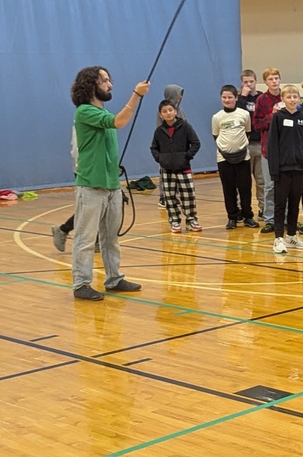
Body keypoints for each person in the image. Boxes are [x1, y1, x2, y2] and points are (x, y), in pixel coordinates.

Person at [69, 66, 150, 301]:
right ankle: (81, 284)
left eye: (109, 80)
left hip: (112, 185)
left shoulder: (104, 114)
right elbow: (121, 122)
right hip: (90, 186)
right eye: (104, 80)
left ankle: (114, 279)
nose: (110, 84)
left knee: (110, 237)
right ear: (91, 85)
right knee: (85, 238)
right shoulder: (84, 112)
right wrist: (137, 95)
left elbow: (117, 122)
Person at [267, 84, 303, 254]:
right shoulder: (278, 118)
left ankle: (292, 236)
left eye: (295, 97)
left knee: (295, 203)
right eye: (289, 97)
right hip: (282, 169)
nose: (292, 100)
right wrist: (274, 169)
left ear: (299, 99)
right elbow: (272, 144)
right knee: (281, 204)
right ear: (283, 99)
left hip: (299, 168)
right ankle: (278, 238)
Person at [150, 100, 202, 233]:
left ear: (175, 111)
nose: (168, 113)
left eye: (170, 110)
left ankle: (191, 220)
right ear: (160, 115)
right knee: (170, 197)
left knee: (188, 196)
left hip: (183, 168)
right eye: (164, 111)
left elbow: (195, 143)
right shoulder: (159, 131)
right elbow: (154, 148)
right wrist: (160, 159)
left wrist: (187, 156)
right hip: (167, 171)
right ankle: (175, 221)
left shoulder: (185, 127)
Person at [212, 84, 258, 230]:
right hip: (224, 158)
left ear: (236, 98)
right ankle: (232, 217)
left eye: (230, 97)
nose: (227, 100)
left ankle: (248, 216)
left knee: (245, 187)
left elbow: (247, 132)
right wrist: (226, 150)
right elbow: (216, 135)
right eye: (224, 97)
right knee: (229, 188)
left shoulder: (244, 114)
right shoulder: (217, 117)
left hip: (243, 157)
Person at [252, 67, 283, 233]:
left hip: (284, 149)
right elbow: (256, 125)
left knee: (285, 186)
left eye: (276, 78)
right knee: (269, 185)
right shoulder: (261, 100)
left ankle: (285, 218)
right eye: (271, 79)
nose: (274, 81)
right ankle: (270, 218)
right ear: (266, 82)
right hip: (267, 149)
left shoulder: (286, 97)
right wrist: (272, 115)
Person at [237, 69, 265, 219]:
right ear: (242, 83)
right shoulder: (239, 99)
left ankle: (263, 208)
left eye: (251, 82)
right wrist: (243, 96)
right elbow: (238, 113)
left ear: (256, 82)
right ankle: (243, 209)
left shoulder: (261, 97)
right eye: (245, 82)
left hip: (259, 143)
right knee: (243, 181)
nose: (249, 85)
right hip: (244, 145)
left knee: (261, 180)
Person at [51, 128, 79, 252]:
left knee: (101, 206)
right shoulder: (84, 117)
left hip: (98, 171)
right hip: (86, 172)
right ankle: (63, 229)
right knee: (89, 207)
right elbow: (76, 151)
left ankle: (97, 240)